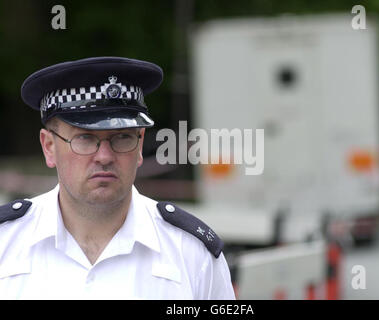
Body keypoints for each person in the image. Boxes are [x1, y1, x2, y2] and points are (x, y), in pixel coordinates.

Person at [0, 56, 235, 299]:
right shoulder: (5, 244)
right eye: (85, 138)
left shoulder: (192, 255)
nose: (104, 156)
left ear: (140, 144)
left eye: (122, 137)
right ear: (49, 146)